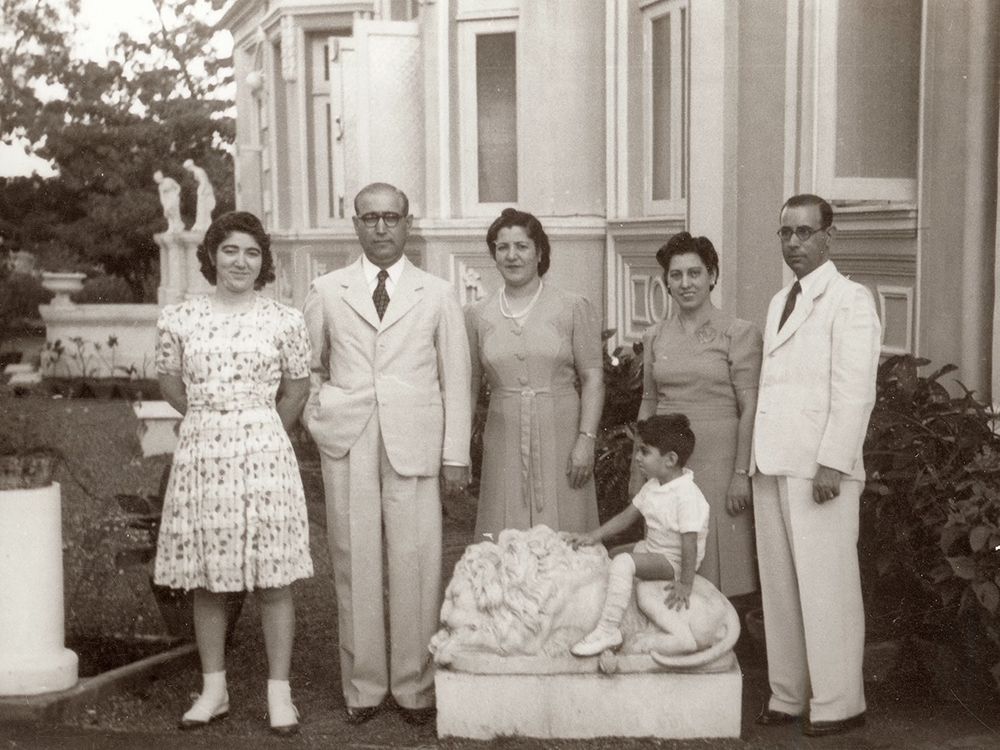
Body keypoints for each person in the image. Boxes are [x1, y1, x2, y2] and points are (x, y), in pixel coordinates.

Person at [302, 182, 472, 726]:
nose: (381, 228)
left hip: (415, 438)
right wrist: (320, 414)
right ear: (355, 224)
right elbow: (305, 366)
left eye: (391, 218)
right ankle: (364, 686)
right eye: (370, 218)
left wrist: (455, 454)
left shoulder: (437, 292)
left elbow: (458, 380)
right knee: (354, 559)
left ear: (408, 223)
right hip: (349, 435)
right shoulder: (328, 289)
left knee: (417, 560)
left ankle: (415, 687)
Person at [153, 211, 313, 735]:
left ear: (263, 262)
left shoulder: (284, 320)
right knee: (208, 576)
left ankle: (279, 694)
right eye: (230, 250)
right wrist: (210, 419)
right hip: (204, 453)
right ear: (212, 256)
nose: (240, 261)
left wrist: (259, 427)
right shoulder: (180, 318)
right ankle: (213, 690)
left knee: (273, 577)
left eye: (251, 253)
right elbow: (171, 384)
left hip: (265, 453)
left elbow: (296, 389)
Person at [751, 194, 880, 737]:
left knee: (827, 588)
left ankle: (838, 702)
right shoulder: (781, 298)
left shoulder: (849, 300)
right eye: (786, 233)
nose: (794, 243)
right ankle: (788, 693)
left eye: (805, 232)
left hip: (819, 469)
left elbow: (855, 391)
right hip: (774, 461)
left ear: (830, 236)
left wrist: (833, 461)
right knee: (781, 589)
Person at [465, 207, 604, 541]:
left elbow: (593, 378)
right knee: (503, 529)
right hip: (503, 435)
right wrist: (460, 446)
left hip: (562, 432)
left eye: (522, 246)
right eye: (503, 247)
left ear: (539, 252)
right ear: (494, 254)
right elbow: (469, 384)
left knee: (565, 531)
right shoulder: (476, 314)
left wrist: (586, 440)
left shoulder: (572, 306)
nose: (512, 256)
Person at [636, 232, 762, 598]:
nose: (685, 283)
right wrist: (638, 464)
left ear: (712, 276)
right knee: (669, 546)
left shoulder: (738, 333)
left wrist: (741, 473)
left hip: (719, 461)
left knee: (720, 560)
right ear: (667, 282)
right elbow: (648, 402)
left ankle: (724, 645)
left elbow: (749, 406)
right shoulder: (655, 336)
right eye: (676, 275)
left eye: (695, 273)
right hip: (667, 462)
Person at [568, 414, 710, 656]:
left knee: (624, 563)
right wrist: (593, 536)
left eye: (645, 452)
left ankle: (608, 629)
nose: (637, 457)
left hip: (672, 563)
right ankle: (625, 611)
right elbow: (627, 517)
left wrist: (685, 584)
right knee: (612, 554)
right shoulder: (653, 485)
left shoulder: (687, 495)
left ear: (670, 459)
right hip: (652, 549)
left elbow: (689, 544)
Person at [184, 159, 216, 232]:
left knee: (203, 208)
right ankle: (201, 224)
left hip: (205, 190)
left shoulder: (198, 171)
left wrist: (201, 192)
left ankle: (203, 225)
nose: (188, 170)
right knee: (202, 208)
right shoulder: (197, 171)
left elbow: (204, 182)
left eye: (187, 168)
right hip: (203, 189)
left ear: (190, 166)